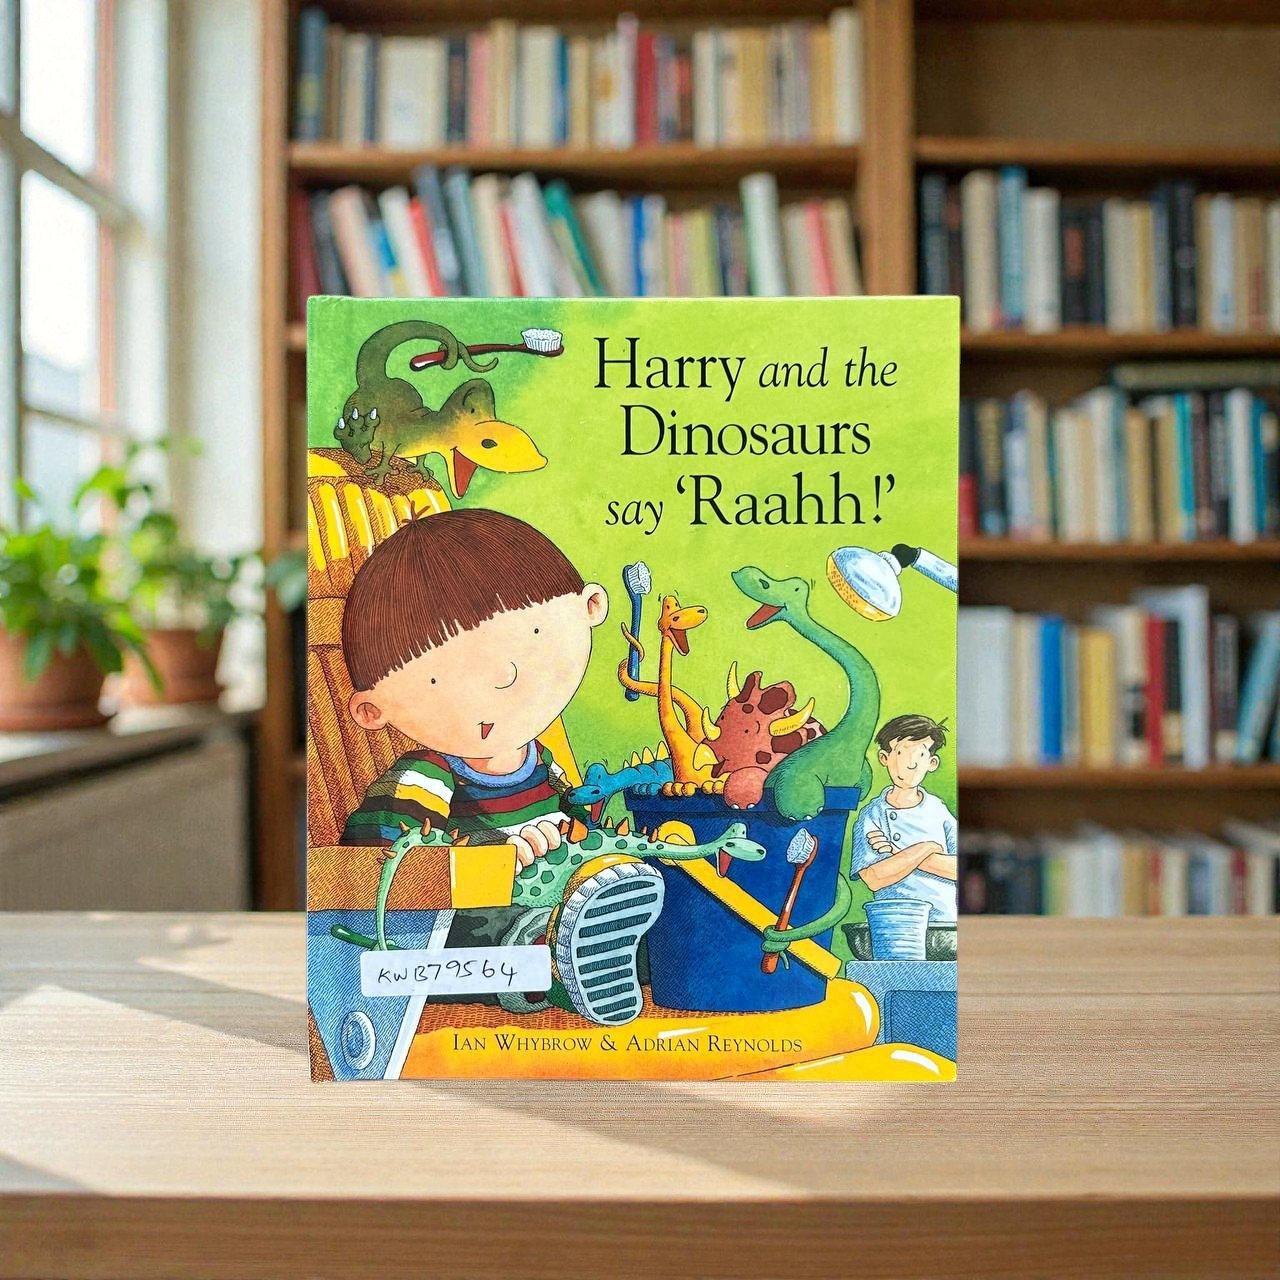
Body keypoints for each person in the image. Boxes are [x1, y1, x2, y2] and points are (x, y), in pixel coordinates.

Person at [337, 507, 662, 1024]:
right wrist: (490, 856)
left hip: (557, 901)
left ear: (590, 608)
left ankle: (603, 951)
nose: (505, 677)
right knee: (501, 926)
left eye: (532, 638)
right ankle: (551, 957)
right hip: (450, 937)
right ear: (373, 711)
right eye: (446, 677)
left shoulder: (542, 763)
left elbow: (572, 824)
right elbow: (376, 871)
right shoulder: (424, 777)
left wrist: (590, 833)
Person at [850, 713, 957, 924]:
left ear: (932, 762)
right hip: (893, 920)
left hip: (943, 920)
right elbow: (874, 878)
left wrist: (896, 854)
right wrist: (926, 847)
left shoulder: (938, 810)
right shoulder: (873, 815)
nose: (911, 764)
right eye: (900, 753)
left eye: (920, 755)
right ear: (884, 758)